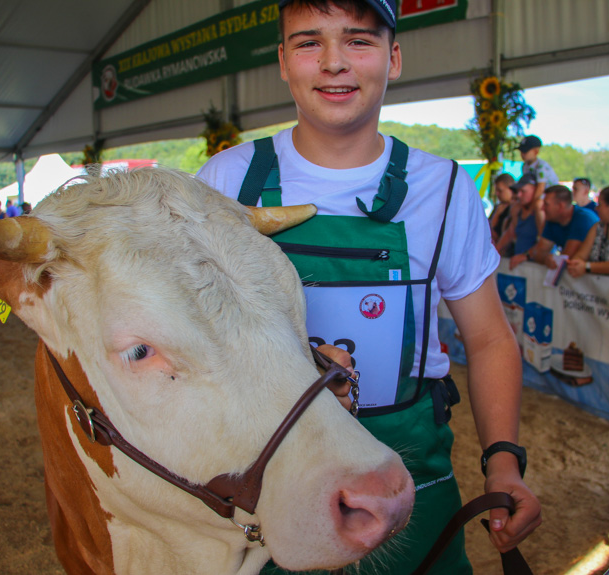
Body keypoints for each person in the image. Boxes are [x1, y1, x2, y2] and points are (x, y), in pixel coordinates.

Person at [196, 0, 541, 572]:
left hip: (409, 468)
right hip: (271, 474)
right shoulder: (227, 182)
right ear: (284, 62)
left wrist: (503, 462)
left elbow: (488, 341)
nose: (334, 62)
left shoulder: (446, 188)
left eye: (359, 40)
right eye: (309, 43)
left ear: (394, 57)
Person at [525, 184, 599, 269]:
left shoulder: (583, 219)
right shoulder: (553, 219)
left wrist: (548, 259)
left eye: (546, 204)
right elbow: (539, 252)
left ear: (560, 206)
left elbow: (566, 257)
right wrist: (546, 259)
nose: (542, 208)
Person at [503, 173, 544, 268]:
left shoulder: (539, 208)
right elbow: (510, 234)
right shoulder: (517, 209)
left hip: (535, 266)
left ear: (534, 190)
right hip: (520, 265)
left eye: (523, 191)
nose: (519, 195)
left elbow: (544, 241)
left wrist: (526, 255)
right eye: (518, 192)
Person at [518, 135, 559, 202]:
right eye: (521, 151)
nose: (522, 154)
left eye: (525, 151)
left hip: (550, 197)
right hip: (537, 196)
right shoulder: (524, 166)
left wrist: (530, 209)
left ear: (536, 152)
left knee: (538, 204)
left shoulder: (541, 166)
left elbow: (540, 189)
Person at [488, 172, 515, 250]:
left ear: (510, 189)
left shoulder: (515, 210)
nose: (497, 194)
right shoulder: (498, 207)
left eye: (500, 191)